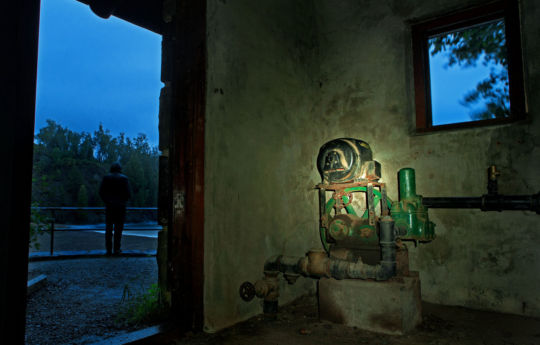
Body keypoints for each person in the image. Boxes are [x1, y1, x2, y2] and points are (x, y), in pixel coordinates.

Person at [99, 162, 131, 255]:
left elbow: (101, 192)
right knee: (118, 229)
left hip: (109, 207)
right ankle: (117, 249)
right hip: (121, 208)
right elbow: (128, 194)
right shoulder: (124, 179)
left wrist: (107, 201)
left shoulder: (106, 178)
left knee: (108, 229)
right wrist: (123, 201)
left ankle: (108, 249)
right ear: (120, 169)